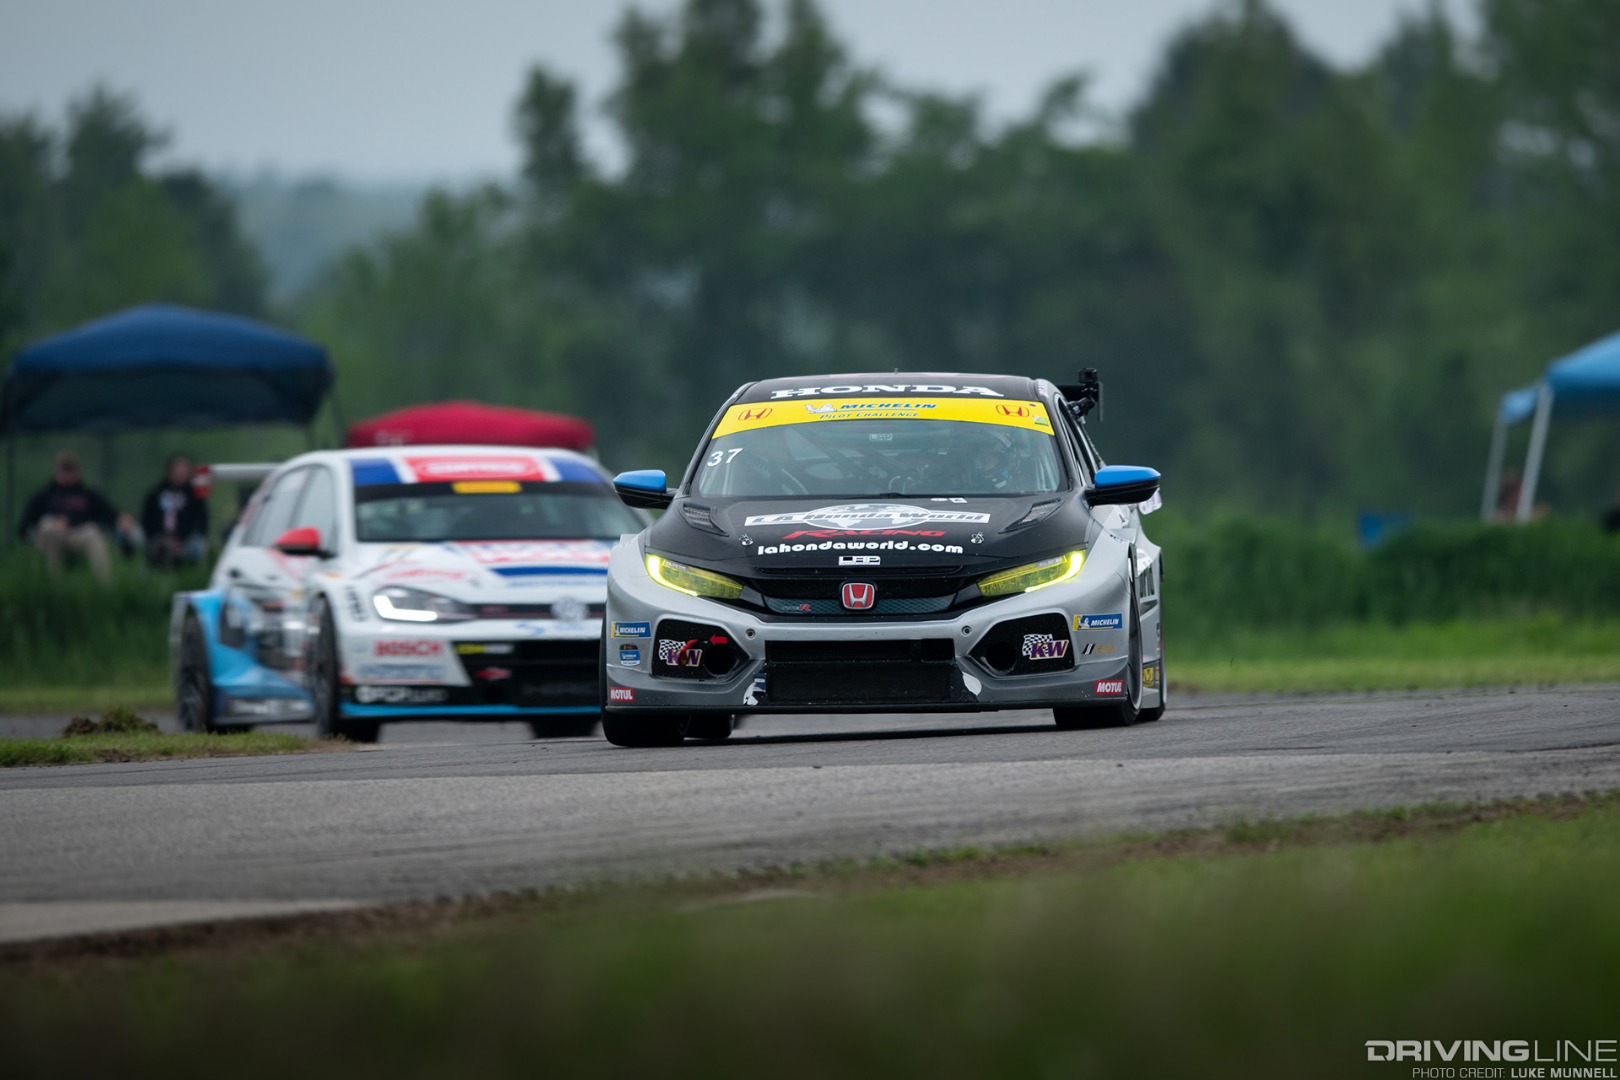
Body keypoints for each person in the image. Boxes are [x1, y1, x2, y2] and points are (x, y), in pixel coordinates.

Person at [17, 451, 137, 583]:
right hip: (53, 535)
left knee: (93, 531)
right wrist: (52, 522)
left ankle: (105, 586)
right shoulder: (44, 496)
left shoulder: (88, 495)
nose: (68, 474)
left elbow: (110, 515)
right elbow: (25, 526)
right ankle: (51, 586)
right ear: (56, 471)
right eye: (64, 469)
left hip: (79, 534)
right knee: (48, 527)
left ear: (78, 471)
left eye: (71, 469)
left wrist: (121, 520)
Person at [140, 453, 209, 568]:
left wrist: (182, 539)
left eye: (183, 472)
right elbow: (147, 522)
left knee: (198, 545)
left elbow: (202, 523)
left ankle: (194, 572)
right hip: (160, 539)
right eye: (177, 471)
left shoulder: (195, 497)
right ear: (169, 472)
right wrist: (164, 538)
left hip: (186, 540)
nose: (180, 475)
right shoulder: (155, 495)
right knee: (158, 547)